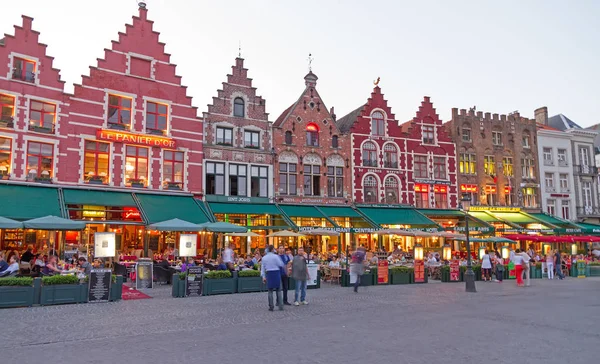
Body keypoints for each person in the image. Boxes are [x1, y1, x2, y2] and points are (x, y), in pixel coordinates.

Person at [260, 245, 285, 311]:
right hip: (276, 273)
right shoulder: (276, 257)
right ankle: (280, 306)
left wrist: (263, 277)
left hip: (269, 273)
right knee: (278, 290)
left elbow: (262, 268)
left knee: (270, 291)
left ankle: (271, 306)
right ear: (272, 249)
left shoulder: (264, 258)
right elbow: (281, 264)